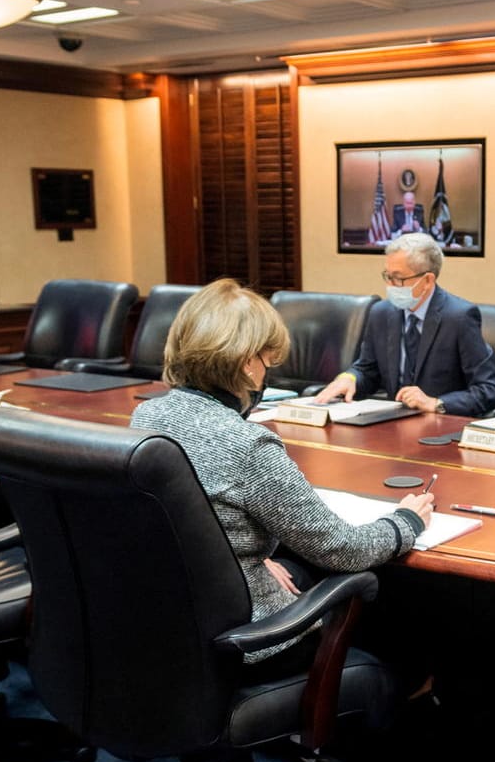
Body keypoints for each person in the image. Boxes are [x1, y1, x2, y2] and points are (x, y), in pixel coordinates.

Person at [130, 279, 434, 662]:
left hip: (172, 622)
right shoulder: (247, 445)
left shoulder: (147, 415)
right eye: (266, 361)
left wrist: (239, 557)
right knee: (389, 621)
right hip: (247, 641)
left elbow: (186, 522)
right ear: (246, 361)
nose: (266, 371)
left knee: (295, 567)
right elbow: (341, 549)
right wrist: (405, 522)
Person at [313, 233, 495, 416]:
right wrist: (350, 378)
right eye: (388, 276)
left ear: (427, 280)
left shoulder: (459, 318)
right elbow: (367, 370)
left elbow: (490, 390)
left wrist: (437, 403)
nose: (391, 286)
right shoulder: (381, 313)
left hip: (440, 428)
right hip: (390, 425)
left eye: (399, 278)